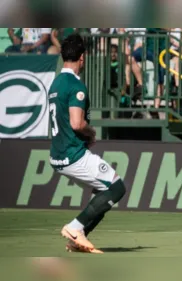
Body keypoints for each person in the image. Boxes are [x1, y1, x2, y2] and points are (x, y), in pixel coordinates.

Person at [48, 34, 126, 254]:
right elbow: (76, 123)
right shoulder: (75, 85)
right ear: (82, 58)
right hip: (74, 154)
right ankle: (75, 228)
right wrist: (90, 133)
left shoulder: (55, 83)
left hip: (58, 154)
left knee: (102, 191)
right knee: (117, 187)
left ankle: (78, 240)